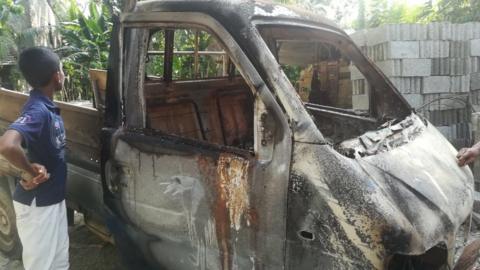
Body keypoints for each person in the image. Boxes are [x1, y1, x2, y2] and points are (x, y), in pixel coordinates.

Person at [0, 47, 69, 270]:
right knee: (42, 265)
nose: (64, 74)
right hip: (38, 205)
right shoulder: (38, 109)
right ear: (56, 76)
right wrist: (30, 170)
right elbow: (7, 145)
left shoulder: (47, 107)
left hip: (52, 199)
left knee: (58, 261)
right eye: (62, 70)